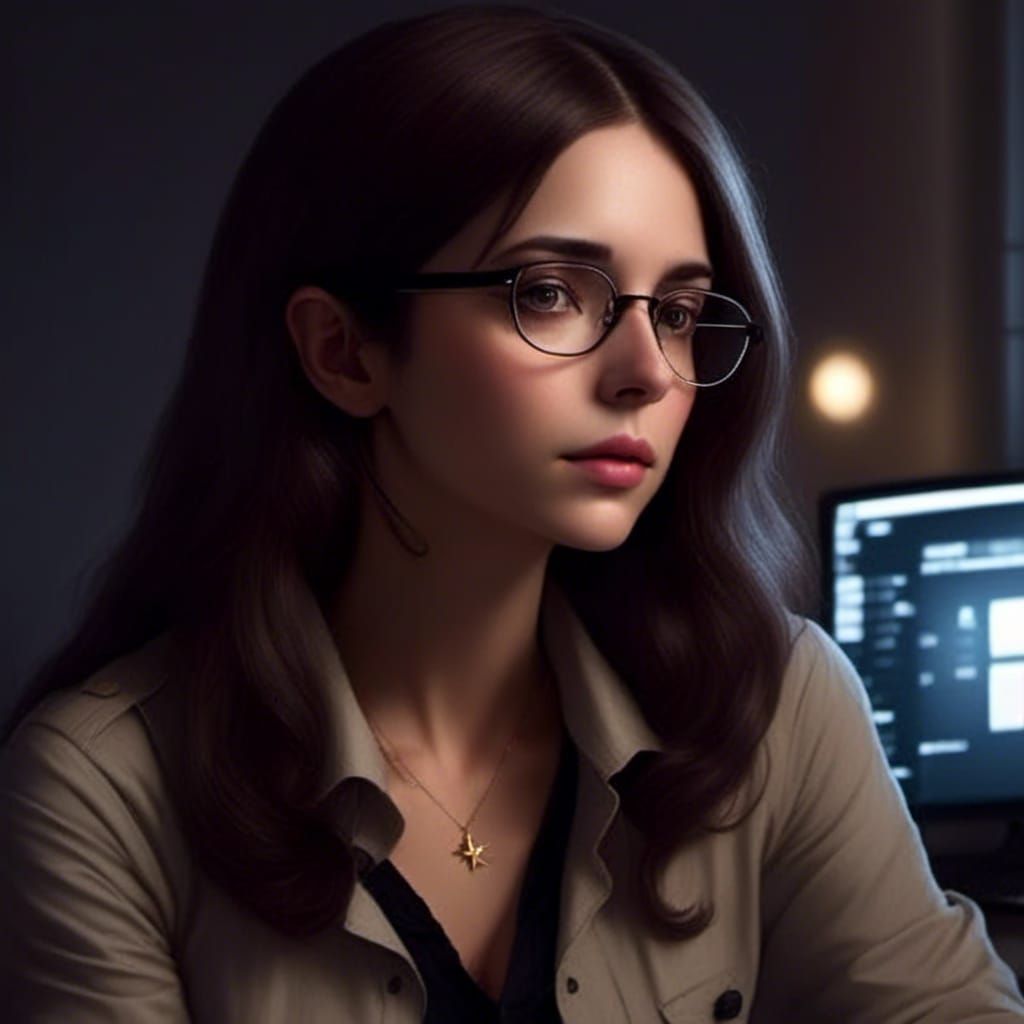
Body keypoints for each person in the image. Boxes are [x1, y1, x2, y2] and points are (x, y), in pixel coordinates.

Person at [1, 4, 1022, 1021]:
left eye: (675, 310)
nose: (647, 373)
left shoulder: (774, 708)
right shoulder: (104, 791)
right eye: (549, 293)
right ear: (343, 352)